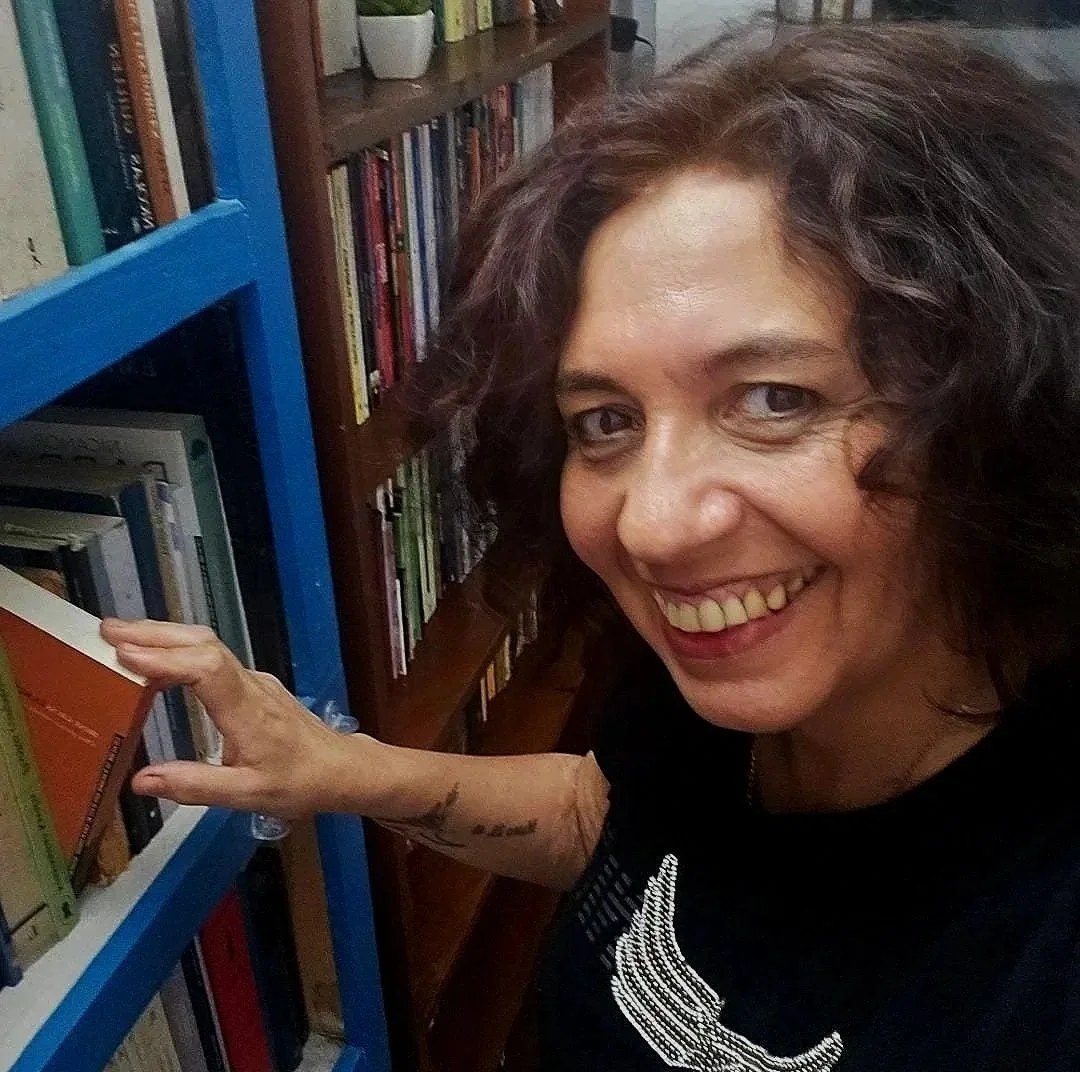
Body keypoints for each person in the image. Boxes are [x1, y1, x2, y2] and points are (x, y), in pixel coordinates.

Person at [102, 23, 1080, 1071]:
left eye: (773, 399)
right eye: (606, 420)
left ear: (995, 414)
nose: (651, 527)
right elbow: (610, 826)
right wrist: (340, 769)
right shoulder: (729, 684)